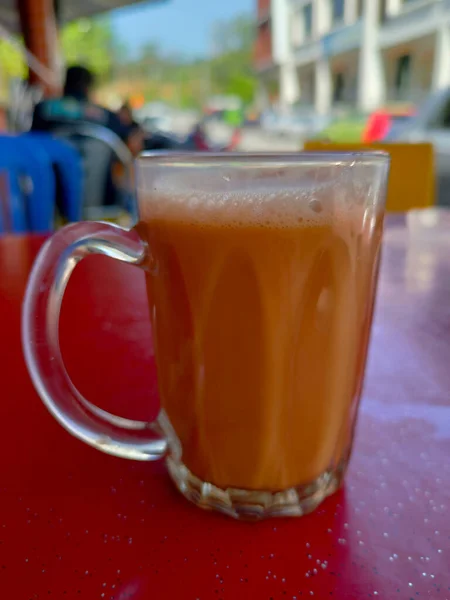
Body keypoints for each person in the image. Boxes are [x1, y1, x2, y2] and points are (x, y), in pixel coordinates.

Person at [31, 65, 131, 144]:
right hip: (95, 169)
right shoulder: (107, 116)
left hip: (54, 168)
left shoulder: (43, 109)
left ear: (65, 86)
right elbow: (126, 141)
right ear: (88, 88)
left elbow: (33, 140)